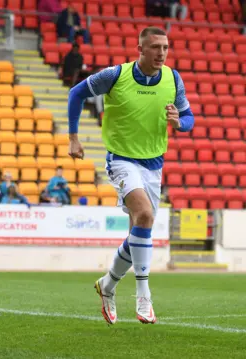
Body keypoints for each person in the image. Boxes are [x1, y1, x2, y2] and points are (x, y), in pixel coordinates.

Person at [67, 27, 194, 325]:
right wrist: (73, 137)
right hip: (121, 160)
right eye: (154, 47)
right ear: (140, 48)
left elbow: (189, 117)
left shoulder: (173, 78)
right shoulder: (115, 75)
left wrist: (180, 122)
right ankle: (143, 295)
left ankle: (107, 286)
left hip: (154, 164)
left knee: (139, 230)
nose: (161, 52)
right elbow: (76, 93)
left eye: (165, 47)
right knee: (146, 216)